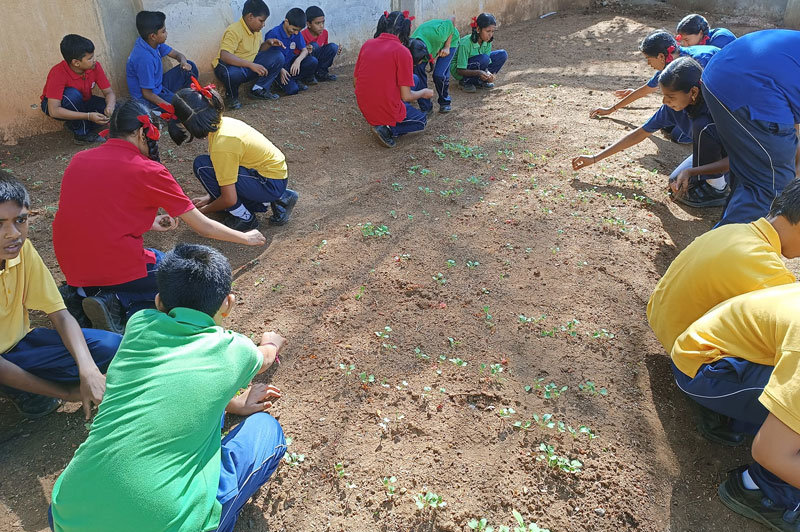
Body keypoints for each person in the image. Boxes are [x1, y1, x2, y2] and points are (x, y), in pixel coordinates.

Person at [50, 243, 287, 532]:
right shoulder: (234, 349)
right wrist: (271, 342)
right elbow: (264, 359)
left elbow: (170, 383)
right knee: (267, 430)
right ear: (228, 303)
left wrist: (233, 404)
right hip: (168, 524)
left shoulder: (139, 325)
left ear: (159, 301)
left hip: (69, 512)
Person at [52, 99, 266, 335]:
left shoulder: (79, 159)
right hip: (111, 266)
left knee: (153, 265)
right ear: (142, 133)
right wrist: (245, 237)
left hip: (72, 266)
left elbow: (92, 214)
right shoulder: (148, 170)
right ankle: (119, 304)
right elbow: (202, 227)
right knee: (184, 278)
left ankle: (80, 294)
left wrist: (149, 223)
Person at [668, 282, 800, 531]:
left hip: (726, 354)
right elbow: (768, 453)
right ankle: (763, 490)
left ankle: (736, 418)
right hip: (705, 368)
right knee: (781, 445)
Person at [0, 176, 120, 420]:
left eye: (20, 220)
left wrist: (89, 371)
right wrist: (66, 392)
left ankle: (26, 386)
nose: (13, 234)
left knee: (111, 346)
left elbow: (59, 313)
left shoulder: (22, 251)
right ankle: (21, 389)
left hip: (19, 345)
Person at [572, 57, 729, 208]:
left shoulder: (715, 110)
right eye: (663, 95)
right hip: (713, 155)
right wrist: (594, 158)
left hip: (739, 158)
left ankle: (718, 190)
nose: (664, 101)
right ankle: (712, 179)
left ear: (693, 92)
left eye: (670, 96)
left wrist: (692, 171)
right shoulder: (672, 109)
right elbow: (639, 133)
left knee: (702, 128)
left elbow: (736, 157)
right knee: (676, 182)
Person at [701, 29, 800, 227]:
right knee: (773, 190)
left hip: (720, 73)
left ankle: (724, 236)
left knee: (753, 172)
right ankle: (722, 255)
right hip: (751, 89)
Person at [168, 82, 299, 231]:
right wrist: (210, 198)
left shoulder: (222, 144)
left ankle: (245, 217)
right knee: (207, 165)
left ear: (188, 124)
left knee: (203, 167)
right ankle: (281, 198)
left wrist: (199, 213)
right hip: (274, 176)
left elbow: (229, 198)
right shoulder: (223, 123)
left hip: (268, 183)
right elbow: (231, 168)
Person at [589, 29, 719, 144]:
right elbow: (645, 89)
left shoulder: (699, 62)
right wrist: (610, 109)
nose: (648, 63)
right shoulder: (671, 67)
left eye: (648, 59)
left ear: (661, 56)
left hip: (715, 103)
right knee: (669, 125)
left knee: (680, 135)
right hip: (697, 101)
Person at [354, 11, 433, 148]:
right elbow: (407, 96)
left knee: (415, 79)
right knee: (421, 121)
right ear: (405, 31)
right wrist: (424, 92)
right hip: (384, 108)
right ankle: (387, 129)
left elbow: (356, 82)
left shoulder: (367, 44)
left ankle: (416, 110)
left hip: (365, 105)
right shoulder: (402, 52)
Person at [40, 34, 116, 143]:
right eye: (90, 58)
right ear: (76, 62)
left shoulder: (94, 67)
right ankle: (82, 134)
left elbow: (109, 92)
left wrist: (110, 106)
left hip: (84, 100)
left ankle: (74, 123)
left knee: (117, 109)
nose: (95, 60)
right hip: (55, 104)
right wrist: (89, 116)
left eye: (93, 56)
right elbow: (54, 111)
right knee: (72, 95)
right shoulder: (57, 73)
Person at [212, 0, 286, 109]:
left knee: (278, 57)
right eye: (261, 21)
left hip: (248, 66)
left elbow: (258, 51)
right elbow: (225, 55)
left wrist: (268, 43)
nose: (263, 24)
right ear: (250, 16)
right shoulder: (234, 30)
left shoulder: (256, 31)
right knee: (232, 73)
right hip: (229, 66)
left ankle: (258, 89)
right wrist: (251, 65)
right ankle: (232, 97)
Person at [126, 10, 198, 110]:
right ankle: (179, 107)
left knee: (191, 67)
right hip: (147, 101)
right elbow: (147, 94)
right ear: (153, 36)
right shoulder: (144, 59)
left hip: (158, 86)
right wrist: (169, 107)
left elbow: (177, 54)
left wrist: (183, 62)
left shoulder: (152, 43)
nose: (166, 33)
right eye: (163, 31)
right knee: (180, 108)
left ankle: (188, 100)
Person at [410, 17, 459, 113]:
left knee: (439, 75)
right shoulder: (412, 44)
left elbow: (452, 20)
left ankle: (444, 101)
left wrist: (447, 46)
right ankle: (426, 108)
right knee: (418, 73)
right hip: (426, 44)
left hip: (450, 40)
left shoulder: (439, 35)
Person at [450, 13, 508, 94]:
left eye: (492, 31)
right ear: (478, 29)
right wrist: (478, 72)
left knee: (502, 55)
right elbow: (460, 70)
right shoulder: (465, 43)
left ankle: (481, 81)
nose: (490, 34)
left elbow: (487, 62)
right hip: (460, 70)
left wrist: (488, 74)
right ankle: (466, 82)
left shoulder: (487, 41)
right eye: (488, 31)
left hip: (479, 62)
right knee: (484, 58)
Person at [265, 7, 318, 95]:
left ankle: (294, 80)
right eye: (294, 29)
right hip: (278, 68)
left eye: (299, 30)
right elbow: (268, 58)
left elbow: (304, 49)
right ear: (286, 22)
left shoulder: (296, 33)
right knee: (293, 90)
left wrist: (298, 61)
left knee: (312, 61)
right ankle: (279, 82)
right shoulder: (273, 34)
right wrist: (280, 69)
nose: (296, 33)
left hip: (290, 63)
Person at [300, 6, 340, 82]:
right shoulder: (302, 35)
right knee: (314, 46)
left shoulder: (325, 33)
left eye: (323, 22)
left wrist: (336, 50)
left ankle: (321, 73)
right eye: (318, 23)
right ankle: (309, 76)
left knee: (333, 47)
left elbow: (325, 50)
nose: (321, 26)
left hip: (318, 62)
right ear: (308, 24)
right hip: (309, 63)